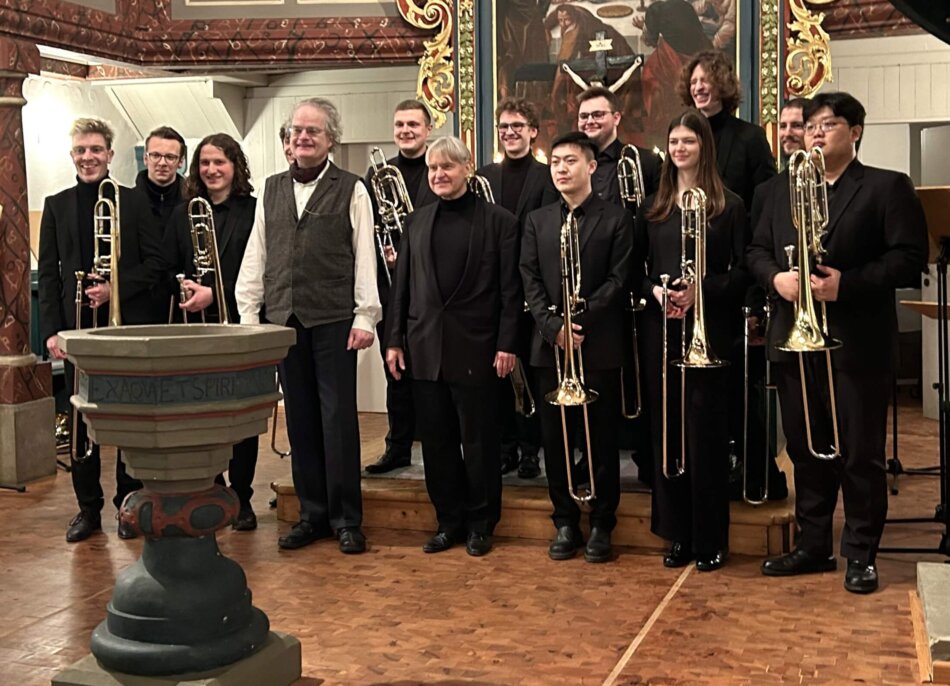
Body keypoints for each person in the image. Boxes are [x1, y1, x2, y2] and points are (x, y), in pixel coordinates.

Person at [749, 92, 928, 593]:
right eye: (810, 126)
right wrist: (775, 279)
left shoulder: (887, 187)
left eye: (829, 124)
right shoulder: (775, 190)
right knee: (806, 450)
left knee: (859, 454)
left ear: (856, 131)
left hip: (856, 343)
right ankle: (812, 545)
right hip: (793, 337)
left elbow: (909, 260)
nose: (816, 133)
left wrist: (844, 284)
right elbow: (756, 251)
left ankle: (860, 552)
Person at [236, 97, 381, 554]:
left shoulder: (353, 189)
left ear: (330, 139)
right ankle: (312, 513)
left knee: (338, 420)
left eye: (312, 131)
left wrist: (365, 315)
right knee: (298, 422)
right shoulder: (271, 188)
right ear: (287, 139)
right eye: (296, 130)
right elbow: (257, 254)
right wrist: (249, 315)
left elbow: (365, 258)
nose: (302, 137)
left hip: (335, 318)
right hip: (283, 320)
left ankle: (346, 519)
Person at [385, 136, 522, 557]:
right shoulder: (417, 222)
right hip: (425, 349)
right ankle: (448, 521)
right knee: (438, 444)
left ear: (468, 169)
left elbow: (510, 292)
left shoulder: (500, 222)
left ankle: (482, 524)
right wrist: (394, 340)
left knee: (479, 443)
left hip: (479, 350)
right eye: (433, 169)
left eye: (447, 167)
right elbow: (402, 288)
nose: (439, 175)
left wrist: (506, 344)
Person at [38, 117, 164, 542]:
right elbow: (51, 275)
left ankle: (127, 504)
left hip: (124, 329)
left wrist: (115, 290)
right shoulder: (56, 205)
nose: (88, 157)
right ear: (72, 155)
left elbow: (156, 265)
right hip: (78, 331)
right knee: (81, 422)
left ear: (110, 155)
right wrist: (53, 331)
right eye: (80, 151)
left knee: (127, 420)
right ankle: (86, 509)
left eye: (95, 150)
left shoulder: (133, 202)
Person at [635, 109, 749, 572]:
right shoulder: (654, 206)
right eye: (674, 141)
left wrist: (703, 289)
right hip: (664, 331)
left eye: (689, 141)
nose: (680, 149)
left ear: (705, 146)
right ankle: (677, 535)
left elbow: (744, 272)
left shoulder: (731, 206)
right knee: (668, 437)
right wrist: (660, 293)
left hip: (712, 333)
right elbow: (636, 273)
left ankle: (711, 537)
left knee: (705, 439)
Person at [520, 131, 633, 563]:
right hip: (551, 346)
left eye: (570, 161)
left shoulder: (616, 218)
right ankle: (565, 519)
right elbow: (528, 279)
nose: (562, 168)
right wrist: (554, 327)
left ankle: (603, 522)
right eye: (555, 162)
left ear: (591, 167)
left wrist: (579, 321)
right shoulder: (538, 220)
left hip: (598, 342)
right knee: (556, 438)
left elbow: (619, 280)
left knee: (601, 437)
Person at [162, 133, 260, 531]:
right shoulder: (183, 213)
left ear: (235, 165)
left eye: (219, 161)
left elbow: (260, 270)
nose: (211, 170)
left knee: (242, 415)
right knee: (203, 413)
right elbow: (166, 265)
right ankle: (214, 487)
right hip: (196, 331)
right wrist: (183, 287)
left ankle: (243, 496)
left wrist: (216, 294)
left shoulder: (252, 210)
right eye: (204, 163)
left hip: (239, 326)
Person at [476, 97, 558, 479]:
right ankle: (506, 448)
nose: (510, 132)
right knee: (498, 377)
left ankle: (530, 451)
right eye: (504, 126)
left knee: (531, 376)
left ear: (533, 131)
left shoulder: (546, 177)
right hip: (493, 291)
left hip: (532, 287)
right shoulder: (484, 176)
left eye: (517, 126)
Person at [363, 99, 438, 475]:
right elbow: (369, 230)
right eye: (399, 125)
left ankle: (439, 446)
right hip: (392, 291)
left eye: (413, 124)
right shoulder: (378, 176)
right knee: (395, 371)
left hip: (433, 293)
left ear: (428, 129)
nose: (406, 130)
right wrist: (387, 250)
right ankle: (398, 446)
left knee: (432, 375)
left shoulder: (440, 171)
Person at [677, 50, 776, 211]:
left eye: (705, 80)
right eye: (693, 82)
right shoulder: (683, 137)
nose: (698, 88)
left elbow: (767, 197)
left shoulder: (751, 136)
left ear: (722, 84)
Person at [577, 87, 662, 208]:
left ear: (616, 118)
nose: (590, 121)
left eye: (598, 115)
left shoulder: (648, 162)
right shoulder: (571, 166)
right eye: (584, 116)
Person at [135, 126, 187, 228]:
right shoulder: (128, 203)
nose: (162, 163)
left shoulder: (191, 204)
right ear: (145, 158)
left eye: (170, 157)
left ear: (181, 162)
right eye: (155, 155)